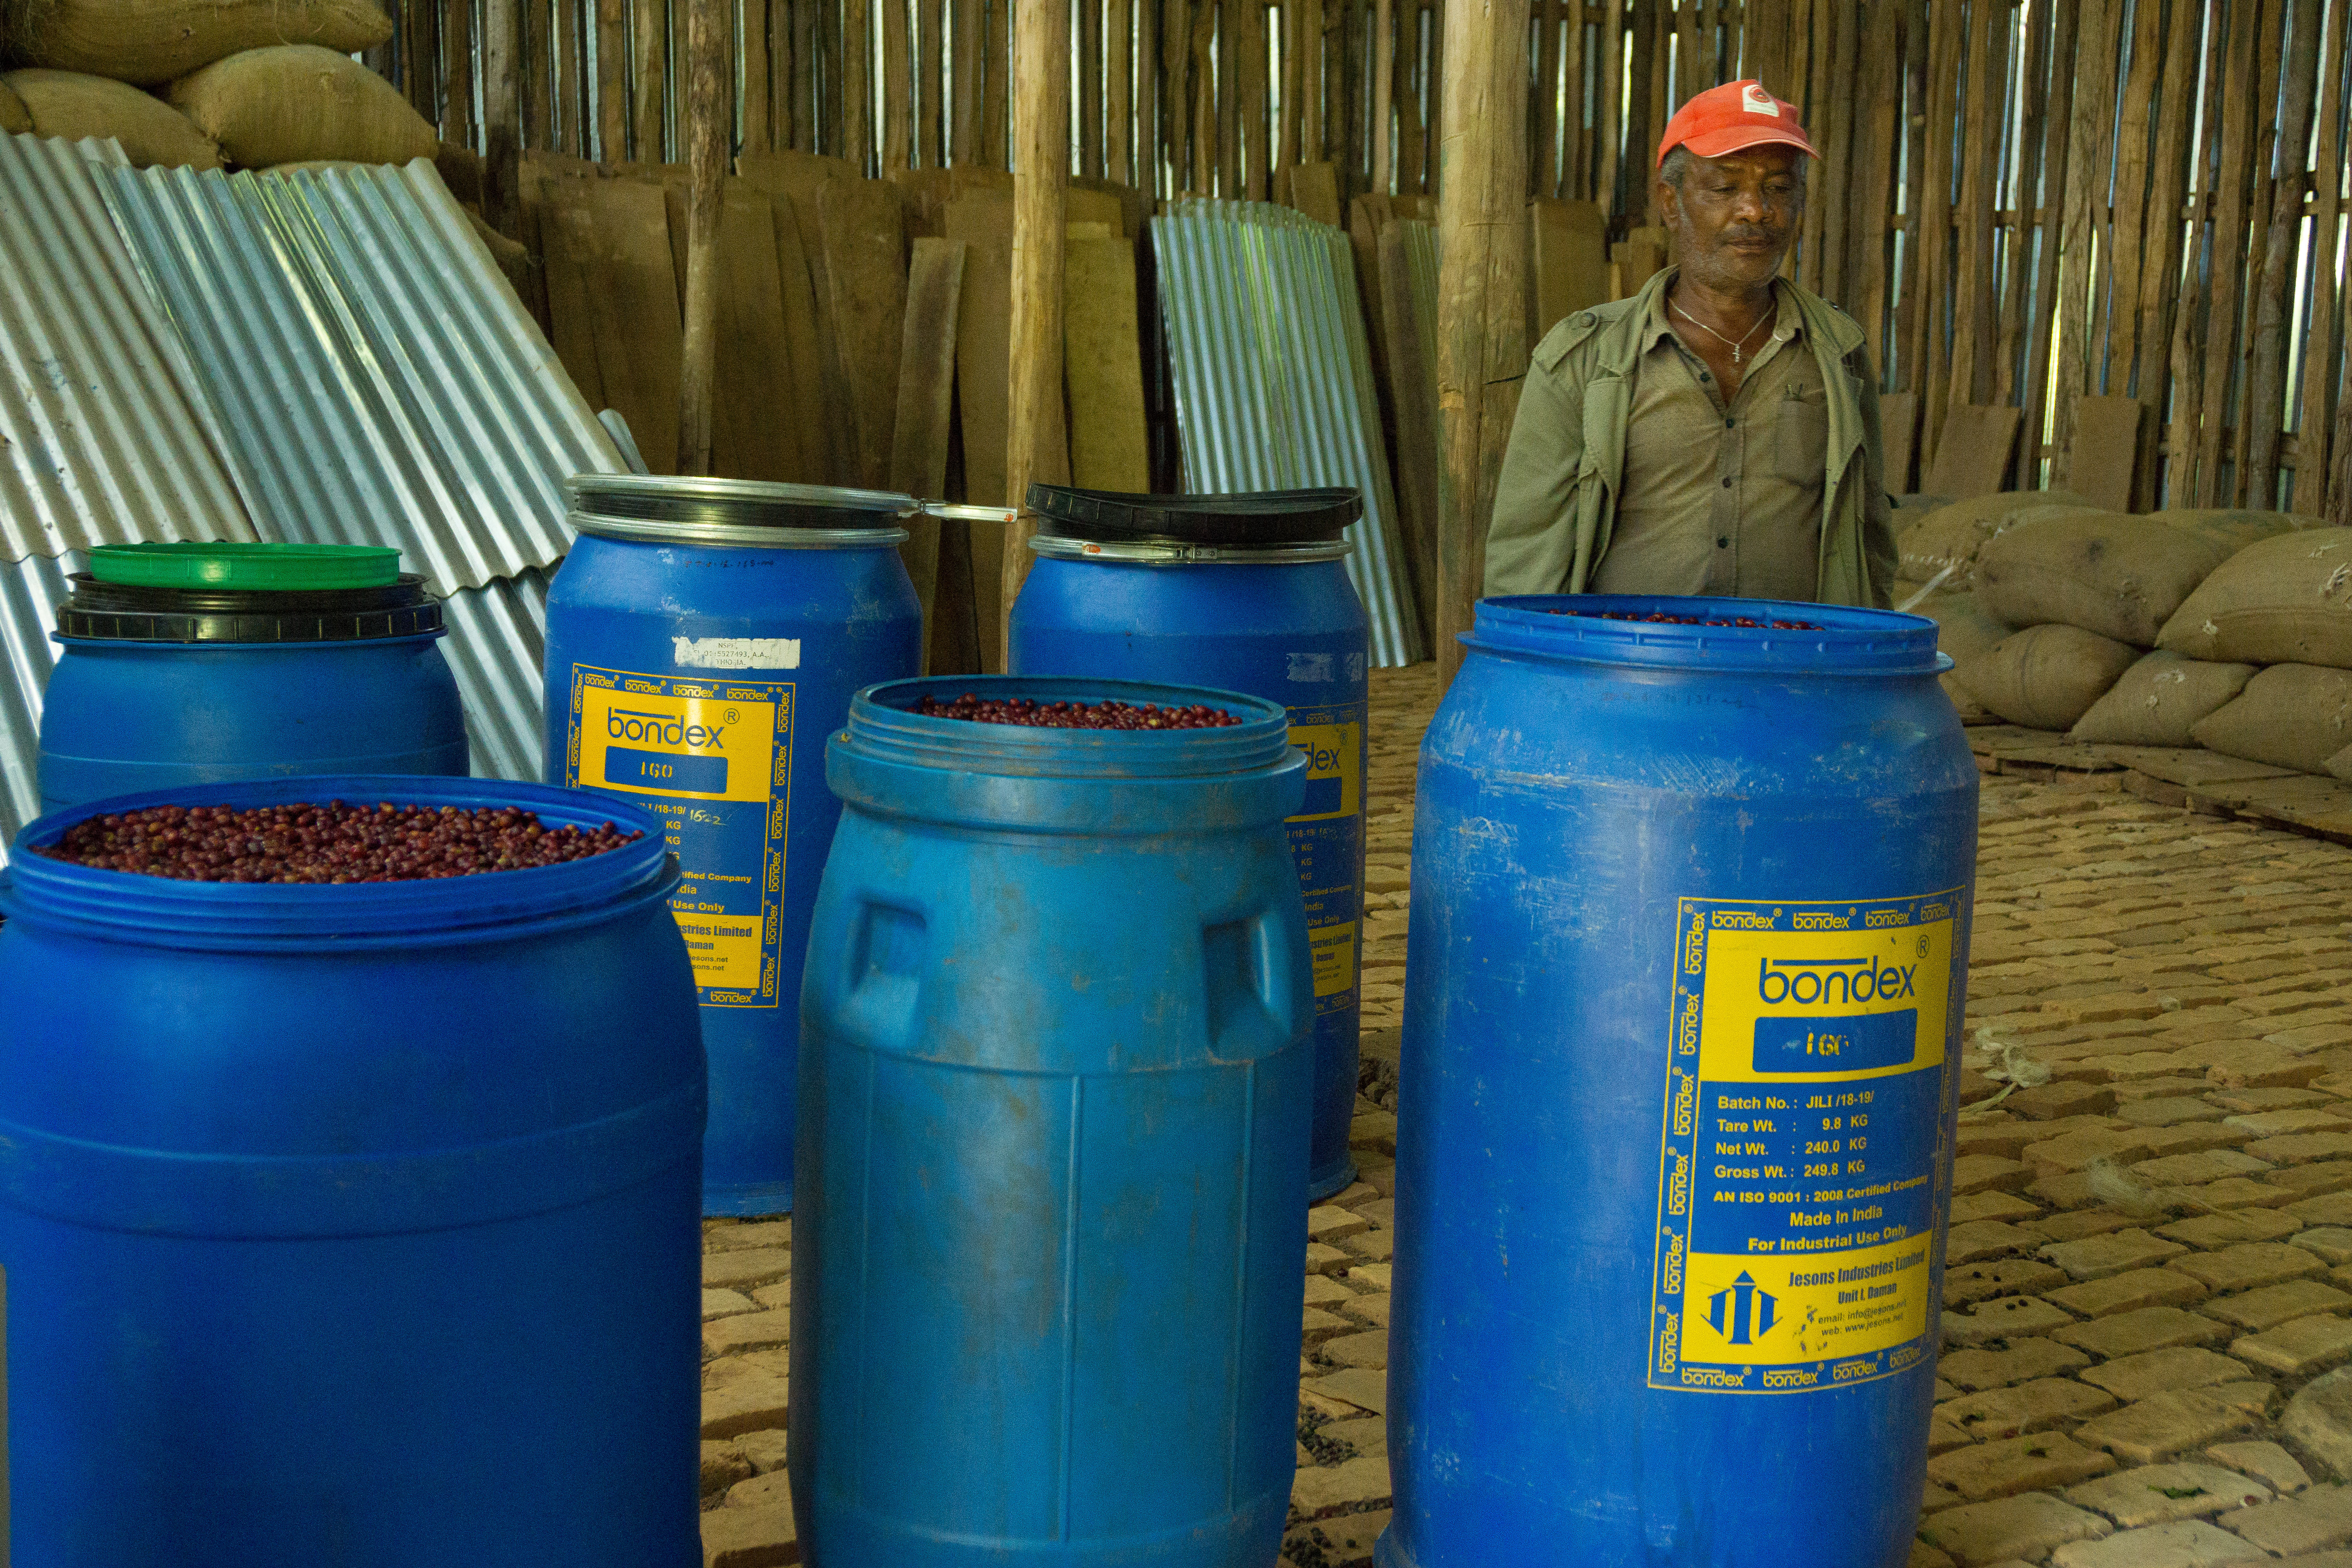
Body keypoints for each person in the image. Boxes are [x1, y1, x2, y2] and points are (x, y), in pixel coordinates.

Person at [1485, 80, 1896, 608]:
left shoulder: (1838, 354)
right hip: (1626, 676)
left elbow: (1871, 540)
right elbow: (1525, 552)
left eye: (1778, 188)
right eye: (1725, 189)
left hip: (1790, 673)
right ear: (1671, 204)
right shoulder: (1583, 360)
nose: (1755, 210)